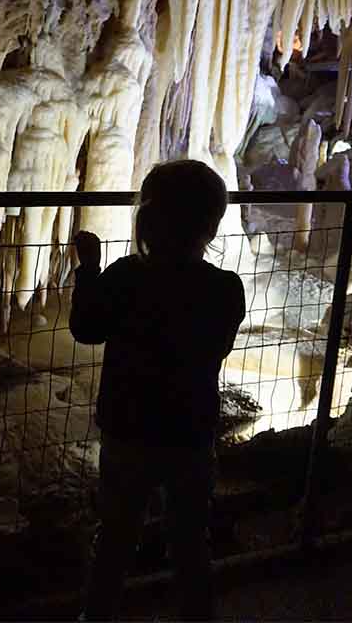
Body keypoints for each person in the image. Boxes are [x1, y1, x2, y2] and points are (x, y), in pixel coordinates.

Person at [70, 160, 246, 621]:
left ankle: (98, 615)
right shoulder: (226, 288)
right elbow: (218, 346)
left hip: (128, 432)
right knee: (190, 541)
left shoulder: (128, 276)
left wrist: (88, 269)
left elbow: (86, 327)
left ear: (147, 217)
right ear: (210, 225)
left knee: (115, 537)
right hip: (191, 434)